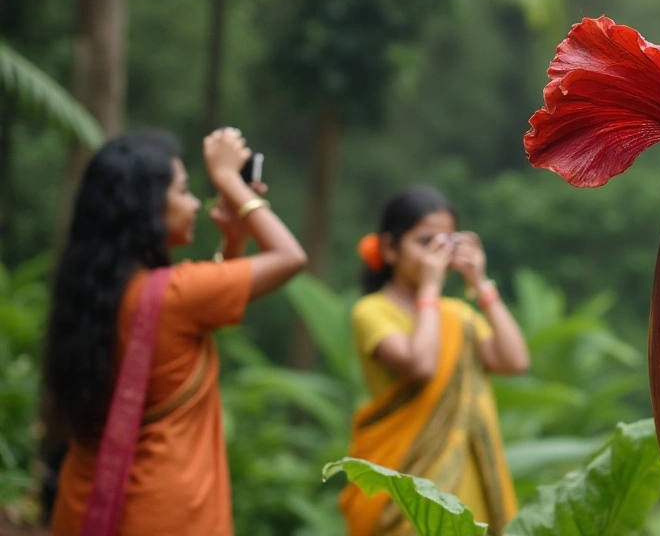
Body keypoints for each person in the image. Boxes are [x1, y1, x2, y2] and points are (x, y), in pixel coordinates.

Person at [42, 128, 307, 535]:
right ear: (148, 209)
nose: (195, 203)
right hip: (166, 512)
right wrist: (230, 182)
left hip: (86, 504)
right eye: (184, 190)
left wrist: (232, 240)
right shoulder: (177, 296)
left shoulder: (88, 292)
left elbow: (199, 311)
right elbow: (289, 257)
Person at [340, 186, 529, 536]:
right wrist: (430, 289)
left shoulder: (457, 315)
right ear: (389, 248)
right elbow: (422, 365)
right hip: (401, 488)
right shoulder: (371, 311)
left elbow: (515, 361)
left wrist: (480, 283)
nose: (437, 254)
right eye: (425, 242)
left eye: (447, 242)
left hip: (465, 484)